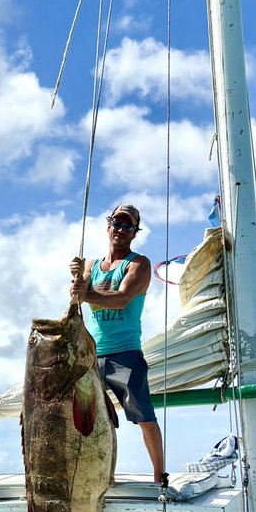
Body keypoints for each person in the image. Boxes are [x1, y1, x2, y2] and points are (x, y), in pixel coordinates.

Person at [69, 203, 166, 483]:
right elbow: (77, 297)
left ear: (135, 233)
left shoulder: (139, 264)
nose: (121, 230)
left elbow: (122, 298)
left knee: (143, 417)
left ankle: (160, 477)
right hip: (90, 357)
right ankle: (92, 475)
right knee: (83, 419)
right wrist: (75, 277)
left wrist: (84, 294)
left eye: (128, 226)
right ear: (108, 225)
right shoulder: (92, 266)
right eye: (117, 223)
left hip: (124, 356)